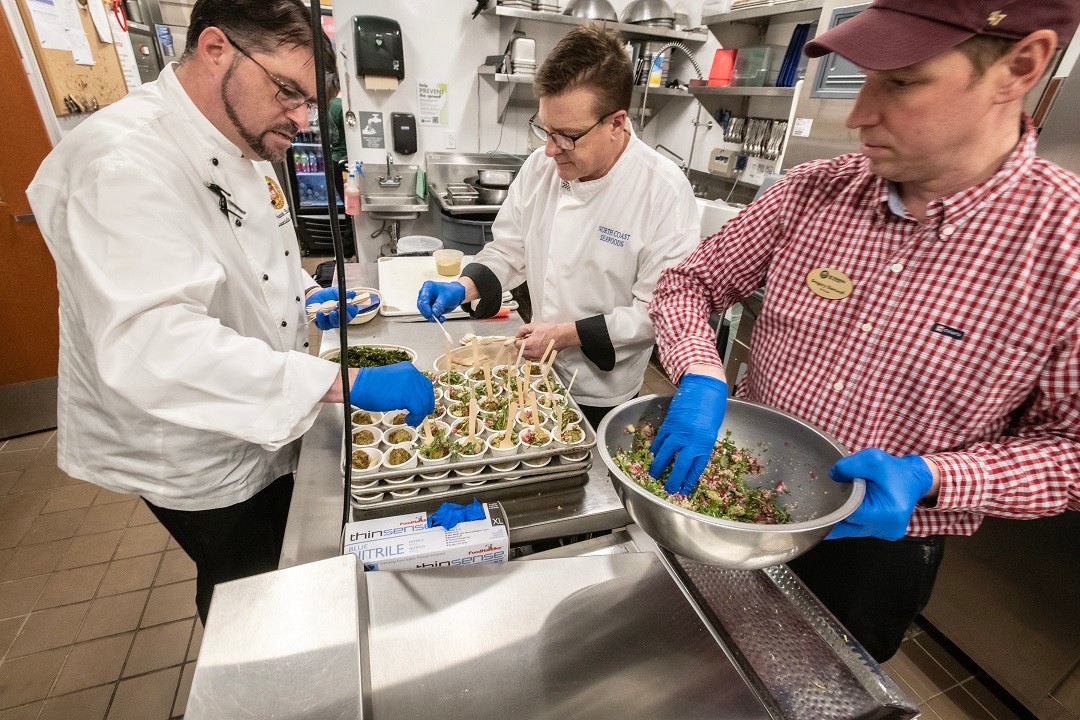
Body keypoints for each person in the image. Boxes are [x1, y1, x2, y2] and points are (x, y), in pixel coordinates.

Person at [647, 0, 1080, 662]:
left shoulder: (1063, 248)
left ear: (1021, 66)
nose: (856, 116)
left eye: (900, 83)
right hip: (734, 499)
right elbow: (690, 283)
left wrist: (932, 477)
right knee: (686, 666)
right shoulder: (811, 192)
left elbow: (1070, 451)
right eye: (863, 79)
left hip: (872, 554)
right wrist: (701, 372)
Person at [27, 0, 433, 624]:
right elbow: (157, 344)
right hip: (194, 443)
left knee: (274, 560)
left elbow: (253, 256)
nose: (299, 118)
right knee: (244, 586)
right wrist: (340, 381)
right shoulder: (124, 161)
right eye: (288, 92)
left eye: (309, 103)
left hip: (260, 414)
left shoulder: (237, 139)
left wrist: (305, 298)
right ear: (216, 49)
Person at [415, 24, 700, 429]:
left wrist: (566, 334)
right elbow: (509, 248)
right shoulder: (540, 168)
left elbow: (656, 311)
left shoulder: (664, 193)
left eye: (567, 136)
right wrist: (463, 285)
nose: (550, 150)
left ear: (617, 123)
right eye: (545, 129)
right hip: (537, 368)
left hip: (605, 385)